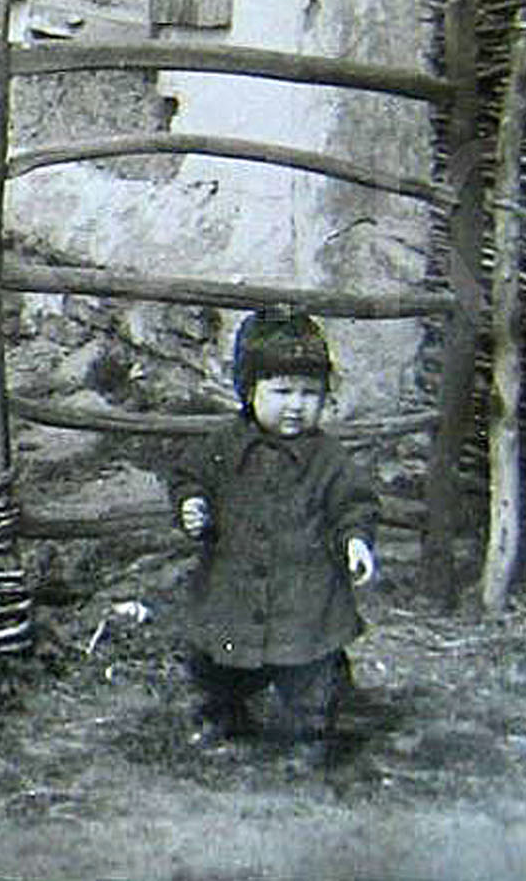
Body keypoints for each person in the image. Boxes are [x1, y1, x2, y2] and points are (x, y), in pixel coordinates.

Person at [171, 307, 378, 764]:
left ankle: (310, 735)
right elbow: (191, 477)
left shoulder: (327, 456)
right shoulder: (222, 447)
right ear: (249, 392)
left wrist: (356, 539)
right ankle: (221, 715)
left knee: (310, 672)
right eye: (282, 392)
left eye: (310, 394)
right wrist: (192, 504)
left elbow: (353, 503)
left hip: (305, 593)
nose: (296, 405)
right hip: (234, 587)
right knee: (217, 664)